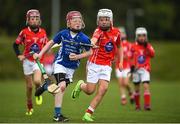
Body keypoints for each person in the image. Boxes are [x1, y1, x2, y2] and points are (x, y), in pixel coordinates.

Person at [33, 11, 92, 122]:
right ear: (69, 23)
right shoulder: (63, 34)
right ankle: (57, 115)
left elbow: (90, 52)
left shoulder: (84, 38)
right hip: (60, 63)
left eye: (79, 20)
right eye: (75, 21)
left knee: (60, 89)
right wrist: (40, 54)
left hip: (72, 68)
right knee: (62, 86)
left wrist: (78, 56)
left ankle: (46, 87)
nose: (78, 23)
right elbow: (51, 43)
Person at [71, 9, 123, 121]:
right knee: (90, 91)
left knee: (103, 89)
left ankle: (88, 113)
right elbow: (93, 39)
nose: (104, 22)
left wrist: (121, 61)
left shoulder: (117, 33)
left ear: (111, 20)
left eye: (106, 19)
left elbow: (119, 46)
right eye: (101, 19)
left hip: (107, 65)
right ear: (98, 21)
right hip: (94, 64)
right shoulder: (98, 31)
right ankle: (81, 85)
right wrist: (92, 44)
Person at [12, 9, 48, 115]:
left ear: (39, 20)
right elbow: (15, 44)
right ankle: (29, 105)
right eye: (32, 18)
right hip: (27, 61)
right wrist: (19, 55)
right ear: (28, 20)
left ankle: (38, 93)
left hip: (38, 61)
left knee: (37, 81)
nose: (35, 20)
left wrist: (47, 49)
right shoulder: (24, 32)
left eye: (37, 18)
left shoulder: (43, 32)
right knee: (29, 86)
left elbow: (46, 45)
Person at [131, 27, 155, 110]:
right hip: (136, 71)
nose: (142, 37)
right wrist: (132, 66)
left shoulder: (148, 45)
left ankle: (147, 105)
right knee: (137, 89)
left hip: (145, 69)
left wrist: (147, 46)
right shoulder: (133, 46)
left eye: (143, 36)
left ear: (146, 36)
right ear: (136, 36)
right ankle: (137, 106)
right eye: (140, 36)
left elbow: (152, 54)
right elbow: (130, 57)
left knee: (145, 86)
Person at [115, 32, 134, 105]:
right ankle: (123, 97)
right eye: (120, 34)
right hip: (118, 66)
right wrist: (115, 58)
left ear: (125, 35)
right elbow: (115, 55)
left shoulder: (129, 45)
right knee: (120, 83)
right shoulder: (116, 45)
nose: (122, 35)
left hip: (126, 67)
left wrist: (124, 56)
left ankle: (130, 92)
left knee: (126, 83)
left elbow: (130, 55)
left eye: (123, 33)